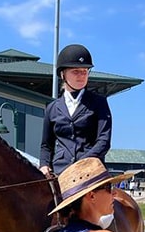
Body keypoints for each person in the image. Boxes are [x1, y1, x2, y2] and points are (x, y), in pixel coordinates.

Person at [39, 44, 112, 177]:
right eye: (76, 72)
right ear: (63, 74)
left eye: (84, 71)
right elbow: (46, 145)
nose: (81, 76)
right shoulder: (52, 108)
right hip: (61, 171)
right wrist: (44, 165)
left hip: (90, 171)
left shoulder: (99, 103)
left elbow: (103, 141)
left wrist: (82, 163)